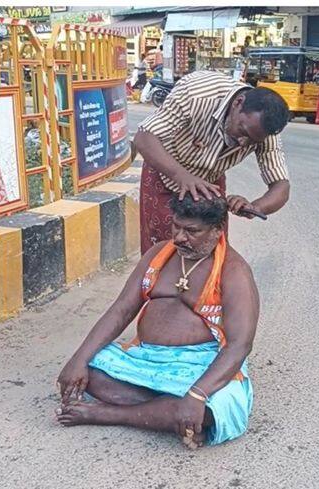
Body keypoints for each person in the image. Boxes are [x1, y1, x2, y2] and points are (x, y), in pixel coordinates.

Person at [56, 196, 257, 449]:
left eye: (192, 231)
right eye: (176, 227)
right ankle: (167, 412)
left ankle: (109, 414)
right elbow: (121, 310)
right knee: (90, 371)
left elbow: (239, 346)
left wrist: (197, 393)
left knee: (220, 404)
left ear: (217, 230)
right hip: (145, 358)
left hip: (201, 363)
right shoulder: (158, 254)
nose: (180, 238)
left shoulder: (235, 271)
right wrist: (78, 360)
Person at [133, 70, 291, 253]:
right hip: (165, 171)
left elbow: (281, 186)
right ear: (238, 103)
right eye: (243, 131)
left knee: (212, 250)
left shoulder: (263, 131)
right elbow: (144, 138)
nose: (243, 143)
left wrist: (255, 206)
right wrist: (182, 176)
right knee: (163, 250)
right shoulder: (197, 93)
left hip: (210, 185)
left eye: (252, 141)